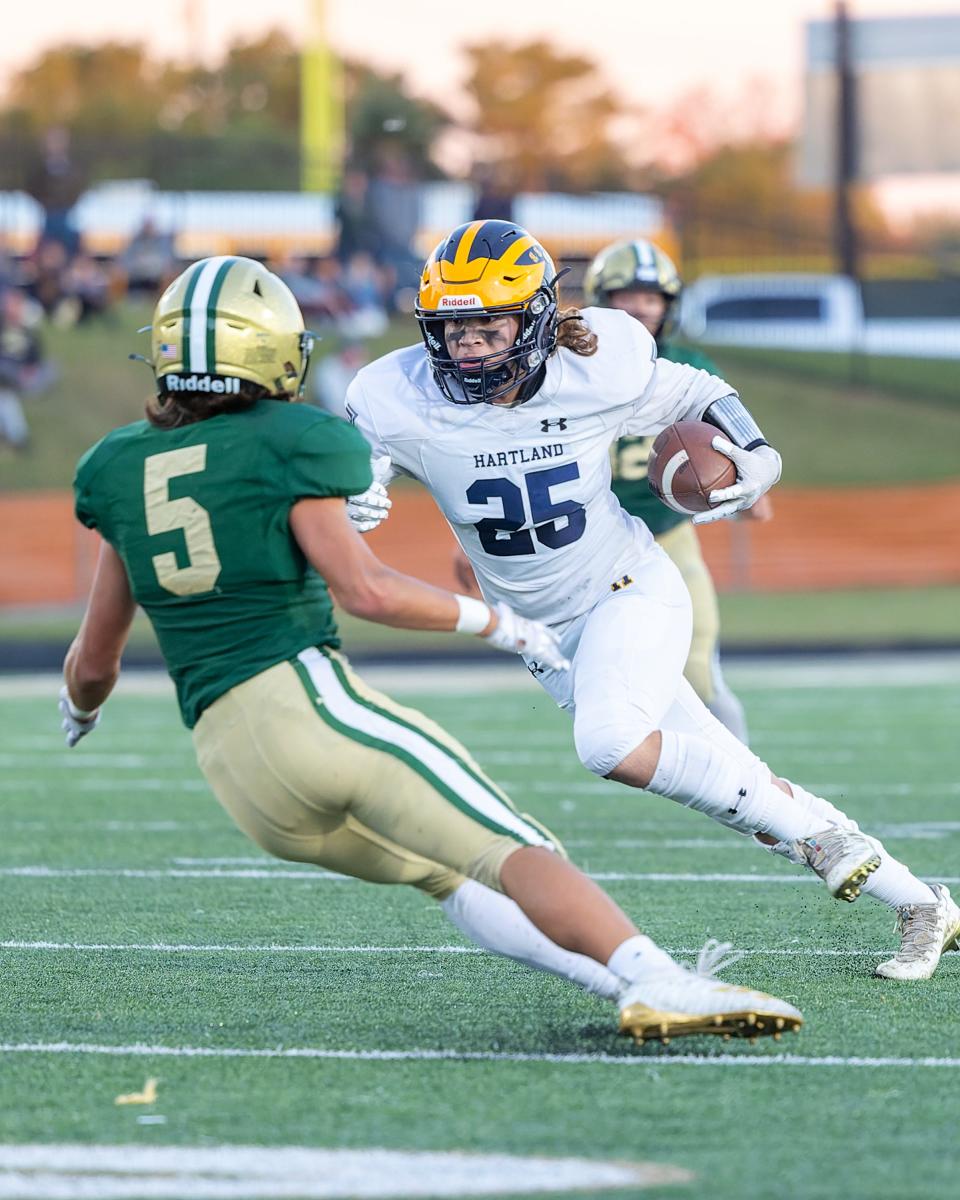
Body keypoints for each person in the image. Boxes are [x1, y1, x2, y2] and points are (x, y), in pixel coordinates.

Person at [59, 254, 802, 1047]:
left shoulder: (114, 466)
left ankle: (620, 982)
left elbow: (95, 659)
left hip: (234, 772)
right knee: (515, 850)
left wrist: (79, 709)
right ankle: (662, 979)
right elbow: (365, 589)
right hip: (315, 713)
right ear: (273, 349)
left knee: (449, 873)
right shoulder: (297, 438)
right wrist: (495, 622)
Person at [344, 219, 960, 982]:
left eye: (487, 325)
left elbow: (698, 391)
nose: (467, 346)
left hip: (625, 587)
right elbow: (359, 457)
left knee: (609, 744)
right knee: (740, 789)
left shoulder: (595, 363)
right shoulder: (395, 391)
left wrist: (758, 454)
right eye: (452, 328)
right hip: (542, 632)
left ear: (536, 319)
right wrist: (359, 488)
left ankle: (832, 846)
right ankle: (922, 901)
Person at [583, 238, 766, 742]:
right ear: (602, 300)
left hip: (667, 535)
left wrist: (743, 485)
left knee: (699, 665)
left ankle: (753, 790)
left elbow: (728, 443)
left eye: (653, 297)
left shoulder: (687, 369)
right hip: (587, 547)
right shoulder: (570, 371)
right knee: (594, 682)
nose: (641, 307)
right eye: (627, 295)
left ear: (669, 305)